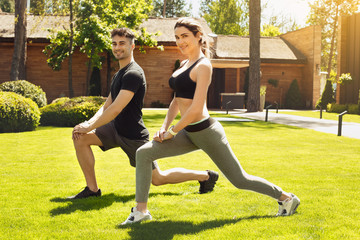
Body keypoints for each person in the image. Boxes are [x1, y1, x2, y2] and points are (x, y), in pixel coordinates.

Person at [121, 18, 300, 225]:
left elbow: (197, 108)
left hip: (207, 132)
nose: (180, 42)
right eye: (177, 37)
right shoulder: (183, 64)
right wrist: (163, 127)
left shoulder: (203, 65)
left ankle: (287, 198)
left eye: (185, 36)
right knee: (144, 152)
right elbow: (176, 101)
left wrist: (172, 131)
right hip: (188, 132)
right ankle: (141, 211)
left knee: (240, 180)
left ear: (198, 37)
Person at [68, 27, 218, 199]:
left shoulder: (133, 74)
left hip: (133, 136)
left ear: (132, 46)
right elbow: (107, 104)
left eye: (122, 44)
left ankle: (205, 176)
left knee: (158, 179)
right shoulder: (119, 74)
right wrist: (88, 124)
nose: (117, 47)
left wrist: (91, 126)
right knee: (80, 137)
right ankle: (92, 190)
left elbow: (116, 108)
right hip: (114, 129)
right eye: (114, 44)